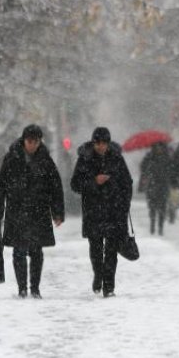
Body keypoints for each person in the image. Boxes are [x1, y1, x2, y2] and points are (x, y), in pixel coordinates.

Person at [0, 124, 64, 299]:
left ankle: (35, 288)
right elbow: (0, 187)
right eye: (30, 141)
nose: (32, 145)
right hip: (16, 211)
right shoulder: (12, 158)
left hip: (38, 211)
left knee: (36, 251)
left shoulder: (46, 160)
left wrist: (57, 212)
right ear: (24, 141)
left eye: (36, 141)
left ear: (40, 142)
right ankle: (22, 288)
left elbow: (55, 187)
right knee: (18, 251)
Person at [70, 127, 133, 297]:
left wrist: (123, 204)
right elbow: (75, 184)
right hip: (93, 210)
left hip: (114, 210)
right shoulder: (84, 158)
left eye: (104, 143)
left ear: (108, 143)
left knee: (112, 250)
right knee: (96, 249)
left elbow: (127, 183)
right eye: (98, 143)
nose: (101, 147)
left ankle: (109, 286)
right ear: (93, 142)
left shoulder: (117, 159)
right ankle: (98, 274)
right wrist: (93, 182)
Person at [139, 142, 173, 235]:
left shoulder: (167, 158)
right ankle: (152, 224)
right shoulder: (149, 157)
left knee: (162, 207)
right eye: (157, 147)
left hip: (163, 185)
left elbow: (172, 170)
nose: (159, 149)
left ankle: (160, 227)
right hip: (152, 185)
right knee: (152, 207)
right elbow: (143, 169)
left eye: (160, 147)